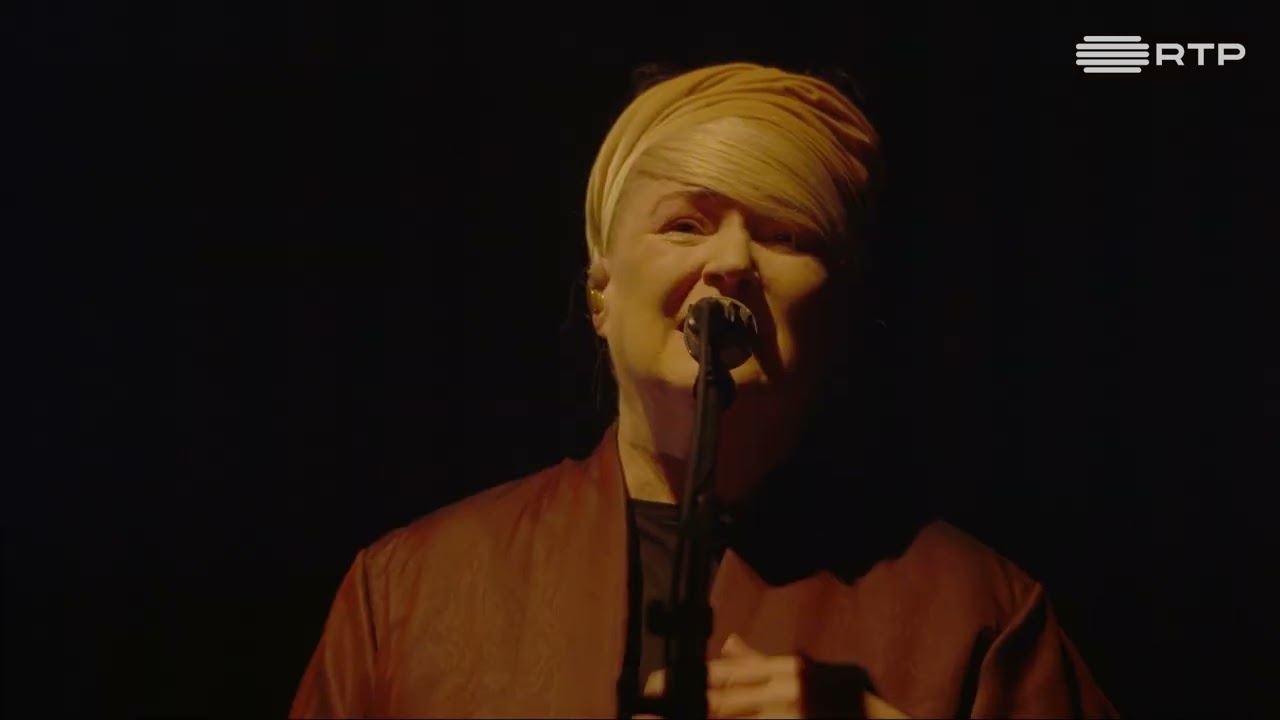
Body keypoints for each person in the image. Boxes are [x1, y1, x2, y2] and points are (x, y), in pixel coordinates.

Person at [289, 61, 1118, 719]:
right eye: (686, 223)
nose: (731, 261)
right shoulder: (412, 589)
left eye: (785, 232)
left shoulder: (978, 613)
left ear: (839, 314)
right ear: (600, 294)